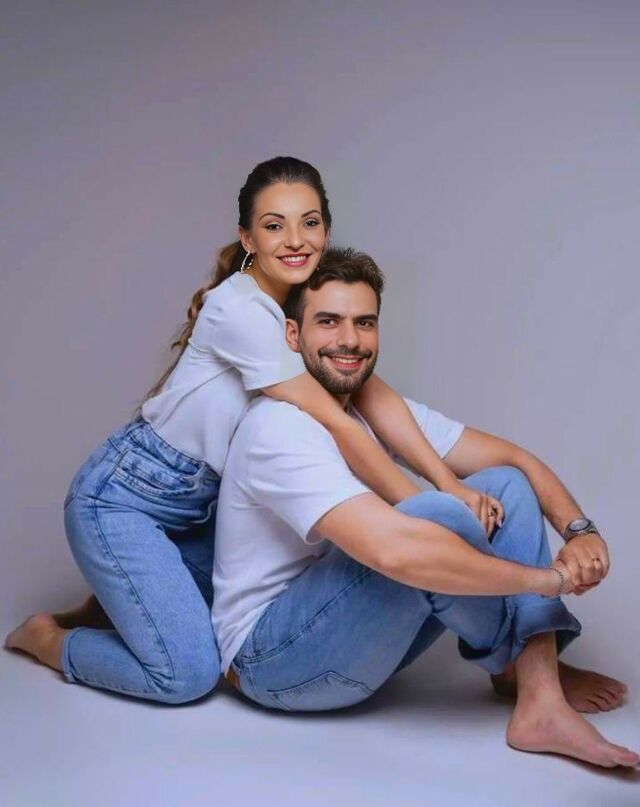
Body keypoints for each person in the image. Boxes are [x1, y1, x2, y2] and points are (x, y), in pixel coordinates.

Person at [5, 157, 496, 703]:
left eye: (309, 222)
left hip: (199, 511)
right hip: (122, 501)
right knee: (187, 675)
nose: (296, 240)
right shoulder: (238, 309)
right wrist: (421, 515)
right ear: (247, 238)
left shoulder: (300, 308)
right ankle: (48, 639)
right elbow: (339, 421)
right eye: (274, 225)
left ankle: (113, 603)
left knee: (207, 608)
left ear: (326, 229)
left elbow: (378, 403)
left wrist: (448, 485)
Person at [212, 247, 638, 768]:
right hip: (273, 662)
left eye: (364, 323)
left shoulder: (371, 409)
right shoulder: (278, 426)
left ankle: (537, 690)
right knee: (435, 517)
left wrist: (580, 531)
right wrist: (551, 581)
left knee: (504, 485)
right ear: (293, 335)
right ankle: (529, 667)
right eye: (329, 322)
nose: (350, 340)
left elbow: (514, 461)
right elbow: (393, 553)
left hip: (349, 635)